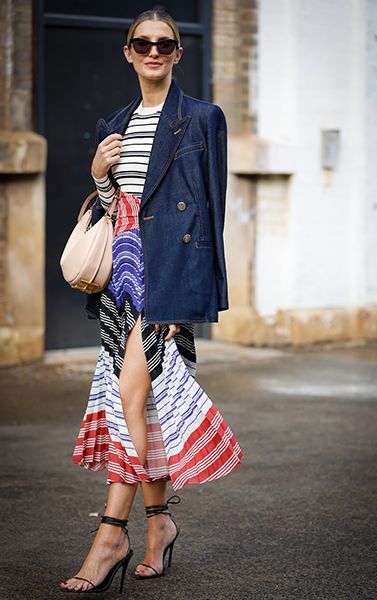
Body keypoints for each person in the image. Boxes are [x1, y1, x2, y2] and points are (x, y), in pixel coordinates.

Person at [60, 9, 243, 594]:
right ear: (128, 51)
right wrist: (99, 177)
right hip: (124, 280)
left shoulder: (201, 119)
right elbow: (115, 216)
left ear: (178, 53)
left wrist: (194, 304)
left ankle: (111, 535)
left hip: (171, 282)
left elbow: (211, 215)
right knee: (146, 409)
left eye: (165, 43)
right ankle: (160, 525)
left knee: (131, 401)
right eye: (144, 43)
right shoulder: (113, 124)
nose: (154, 51)